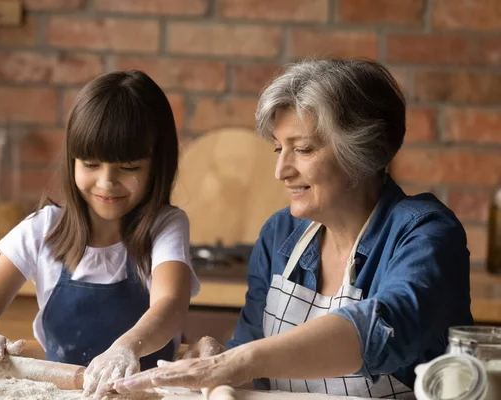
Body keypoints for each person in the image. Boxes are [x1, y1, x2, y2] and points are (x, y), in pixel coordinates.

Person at [112, 59, 473, 399]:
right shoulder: (280, 234)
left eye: (302, 149)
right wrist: (217, 357)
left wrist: (235, 363)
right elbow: (254, 359)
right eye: (277, 149)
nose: (281, 170)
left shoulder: (424, 233)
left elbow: (383, 332)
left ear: (362, 152)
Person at [0, 70, 199, 399]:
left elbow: (170, 305)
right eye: (91, 164)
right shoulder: (41, 230)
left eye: (129, 167)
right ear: (72, 160)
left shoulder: (164, 226)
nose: (106, 183)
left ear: (158, 165)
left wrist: (125, 349)